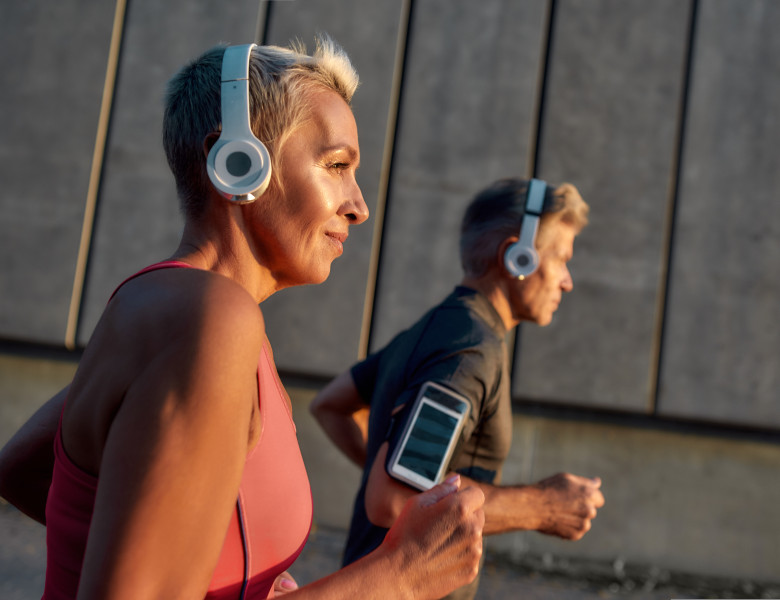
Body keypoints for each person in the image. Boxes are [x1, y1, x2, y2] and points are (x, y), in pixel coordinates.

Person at [0, 37, 486, 600]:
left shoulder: (180, 310)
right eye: (336, 166)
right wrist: (399, 575)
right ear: (236, 162)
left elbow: (24, 469)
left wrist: (231, 577)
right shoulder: (205, 321)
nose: (359, 205)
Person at [310, 178, 605, 600]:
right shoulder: (469, 350)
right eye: (560, 259)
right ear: (516, 256)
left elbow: (331, 405)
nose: (567, 281)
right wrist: (544, 507)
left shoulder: (437, 328)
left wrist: (398, 468)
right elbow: (394, 500)